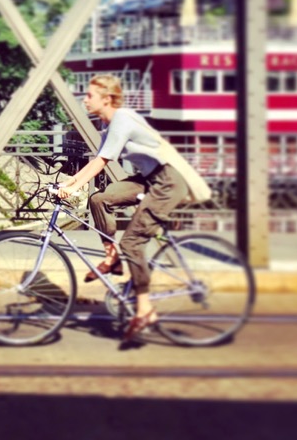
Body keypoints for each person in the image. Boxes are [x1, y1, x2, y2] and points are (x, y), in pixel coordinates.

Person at [55, 74, 212, 341]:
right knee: (99, 199)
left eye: (90, 95)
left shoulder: (122, 119)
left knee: (133, 242)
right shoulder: (107, 126)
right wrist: (69, 182)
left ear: (107, 99)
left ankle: (145, 309)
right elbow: (95, 162)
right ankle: (111, 257)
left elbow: (101, 163)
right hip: (148, 180)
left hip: (168, 181)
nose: (85, 99)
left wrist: (72, 188)